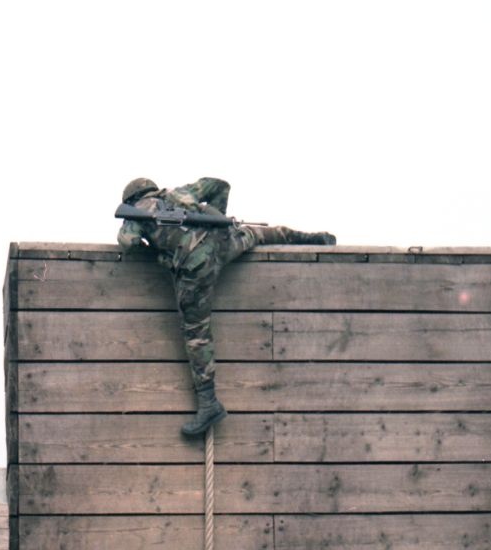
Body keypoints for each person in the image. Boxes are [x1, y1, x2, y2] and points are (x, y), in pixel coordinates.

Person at [117, 177, 336, 437]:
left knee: (196, 334)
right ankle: (311, 239)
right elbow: (220, 185)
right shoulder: (180, 193)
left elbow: (127, 242)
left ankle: (209, 404)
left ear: (131, 199)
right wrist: (215, 219)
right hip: (225, 241)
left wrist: (161, 254)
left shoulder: (137, 213)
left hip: (197, 263)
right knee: (262, 233)